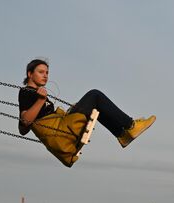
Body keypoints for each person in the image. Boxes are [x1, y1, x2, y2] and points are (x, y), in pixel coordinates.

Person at [18, 59, 156, 167]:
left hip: (61, 129)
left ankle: (122, 134)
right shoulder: (26, 92)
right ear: (30, 74)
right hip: (61, 133)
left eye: (47, 72)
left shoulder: (39, 94)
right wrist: (41, 100)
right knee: (95, 95)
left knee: (96, 106)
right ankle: (130, 126)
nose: (45, 76)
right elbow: (24, 125)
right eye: (41, 72)